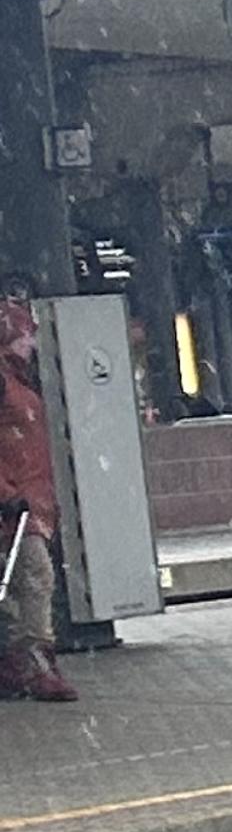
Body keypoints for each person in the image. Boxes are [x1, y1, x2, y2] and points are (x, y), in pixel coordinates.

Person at [0, 293, 75, 700]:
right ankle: (34, 661)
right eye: (26, 335)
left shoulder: (16, 380)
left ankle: (19, 662)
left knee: (22, 581)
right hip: (17, 503)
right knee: (34, 578)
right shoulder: (9, 383)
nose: (31, 343)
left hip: (24, 500)